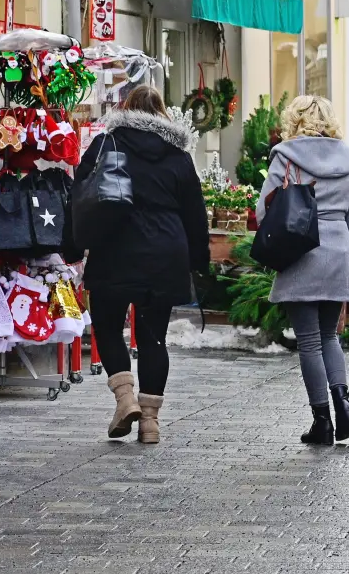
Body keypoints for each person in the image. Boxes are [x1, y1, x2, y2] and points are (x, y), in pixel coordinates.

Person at [72, 85, 208, 444]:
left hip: (114, 248)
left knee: (107, 326)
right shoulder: (178, 155)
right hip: (165, 253)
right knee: (153, 338)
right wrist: (199, 259)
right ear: (161, 112)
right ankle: (150, 422)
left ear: (126, 108)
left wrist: (72, 244)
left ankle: (125, 399)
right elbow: (195, 213)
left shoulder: (107, 144)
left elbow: (81, 194)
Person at [258, 96, 349, 445]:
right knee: (330, 335)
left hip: (299, 251)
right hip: (336, 253)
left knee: (308, 342)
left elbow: (264, 212)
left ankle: (323, 421)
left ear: (294, 119)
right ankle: (343, 403)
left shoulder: (286, 156)